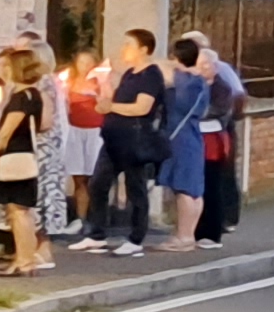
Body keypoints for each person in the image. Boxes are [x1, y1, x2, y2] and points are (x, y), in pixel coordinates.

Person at [93, 27, 168, 256]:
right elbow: (117, 100)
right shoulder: (129, 74)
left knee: (135, 187)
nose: (123, 49)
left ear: (143, 49)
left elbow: (141, 108)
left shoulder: (151, 75)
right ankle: (96, 234)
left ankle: (136, 237)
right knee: (98, 182)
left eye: (129, 45)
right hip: (114, 137)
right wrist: (104, 90)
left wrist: (111, 107)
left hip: (134, 138)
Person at [0, 44, 58, 276]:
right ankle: (25, 259)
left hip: (14, 156)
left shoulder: (19, 98)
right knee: (22, 211)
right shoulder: (34, 95)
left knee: (17, 211)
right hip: (26, 154)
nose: (4, 70)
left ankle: (24, 259)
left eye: (7, 66)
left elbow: (6, 132)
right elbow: (43, 125)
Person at [157, 31, 220, 246]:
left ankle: (182, 236)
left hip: (178, 137)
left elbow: (158, 67)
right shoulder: (200, 81)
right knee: (195, 189)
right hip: (194, 135)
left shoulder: (180, 79)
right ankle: (189, 234)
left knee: (182, 188)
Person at [192, 32, 251, 237]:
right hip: (201, 133)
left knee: (222, 175)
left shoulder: (222, 72)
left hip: (219, 130)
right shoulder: (192, 76)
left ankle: (228, 218)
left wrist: (230, 118)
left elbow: (238, 95)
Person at [52, 42, 107, 242]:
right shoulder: (68, 82)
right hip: (75, 131)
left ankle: (95, 219)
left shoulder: (100, 83)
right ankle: (80, 218)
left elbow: (106, 104)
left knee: (95, 177)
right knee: (79, 177)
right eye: (81, 62)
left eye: (88, 62)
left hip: (95, 132)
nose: (84, 66)